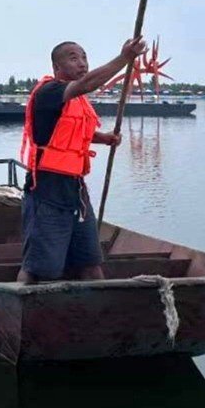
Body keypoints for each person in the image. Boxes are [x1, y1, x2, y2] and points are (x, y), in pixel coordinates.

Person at [17, 37, 145, 284]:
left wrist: (104, 138)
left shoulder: (75, 100)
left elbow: (72, 134)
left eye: (84, 57)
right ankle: (17, 307)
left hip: (75, 190)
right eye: (73, 58)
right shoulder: (50, 91)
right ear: (57, 67)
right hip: (46, 189)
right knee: (38, 267)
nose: (82, 63)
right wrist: (124, 58)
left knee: (91, 264)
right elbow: (88, 83)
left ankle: (96, 311)